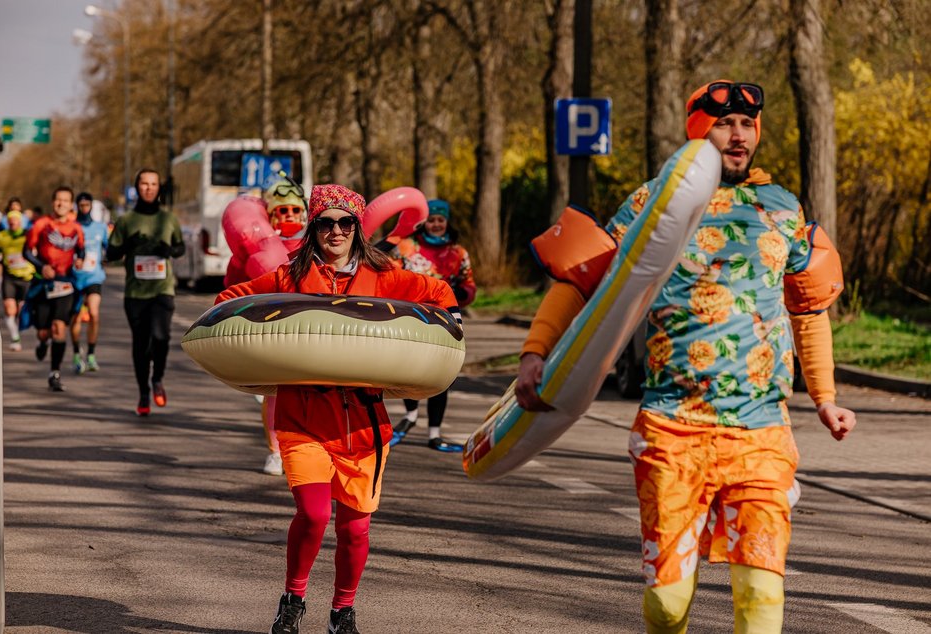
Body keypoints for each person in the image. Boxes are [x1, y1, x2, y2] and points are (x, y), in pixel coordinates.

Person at [514, 80, 857, 634]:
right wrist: (536, 354)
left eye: (748, 124)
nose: (739, 134)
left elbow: (810, 307)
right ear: (698, 128)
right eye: (725, 123)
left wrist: (826, 399)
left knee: (762, 598)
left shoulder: (782, 208)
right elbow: (579, 280)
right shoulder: (651, 204)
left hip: (761, 431)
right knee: (669, 606)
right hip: (673, 429)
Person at [217, 184, 458, 634]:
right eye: (325, 223)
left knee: (354, 531)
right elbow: (231, 300)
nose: (335, 231)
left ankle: (342, 611)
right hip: (303, 418)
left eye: (345, 223)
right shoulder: (290, 276)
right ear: (314, 228)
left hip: (363, 428)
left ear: (356, 229)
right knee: (312, 514)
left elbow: (439, 292)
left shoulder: (382, 275)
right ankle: (293, 597)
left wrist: (451, 320)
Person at [387, 198, 476, 452]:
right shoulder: (405, 247)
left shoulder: (458, 252)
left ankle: (435, 434)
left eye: (440, 220)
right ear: (423, 223)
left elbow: (470, 285)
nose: (436, 225)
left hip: (445, 320)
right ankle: (411, 415)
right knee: (406, 370)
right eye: (431, 220)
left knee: (441, 374)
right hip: (410, 318)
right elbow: (390, 277)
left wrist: (462, 292)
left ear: (447, 222)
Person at [106, 169, 185, 416]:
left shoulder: (168, 219)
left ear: (159, 188)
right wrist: (130, 244)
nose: (149, 188)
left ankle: (157, 379)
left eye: (153, 184)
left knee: (161, 338)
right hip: (135, 293)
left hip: (162, 289)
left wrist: (168, 251)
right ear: (137, 187)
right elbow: (111, 255)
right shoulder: (126, 220)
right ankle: (143, 392)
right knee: (141, 344)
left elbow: (180, 247)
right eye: (144, 183)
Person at [259, 178, 309, 476]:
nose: (289, 215)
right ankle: (275, 452)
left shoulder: (315, 241)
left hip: (310, 329)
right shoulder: (263, 245)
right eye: (282, 211)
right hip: (275, 328)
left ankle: (303, 450)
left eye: (294, 209)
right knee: (275, 394)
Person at [23, 187, 85, 392]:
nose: (61, 204)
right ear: (53, 202)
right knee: (43, 332)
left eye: (65, 200)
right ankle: (42, 343)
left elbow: (80, 249)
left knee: (59, 328)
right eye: (58, 200)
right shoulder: (41, 224)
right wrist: (42, 267)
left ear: (70, 205)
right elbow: (26, 251)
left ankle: (54, 373)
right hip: (43, 283)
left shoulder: (76, 228)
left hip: (65, 284)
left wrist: (80, 261)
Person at [70, 192, 108, 374]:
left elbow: (109, 248)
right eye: (81, 205)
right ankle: (77, 353)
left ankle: (91, 354)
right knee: (76, 317)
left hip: (94, 277)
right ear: (77, 206)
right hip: (75, 278)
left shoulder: (100, 228)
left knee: (94, 314)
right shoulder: (71, 227)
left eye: (87, 205)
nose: (84, 208)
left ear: (91, 206)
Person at [0, 210, 35, 351]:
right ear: (7, 222)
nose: (13, 222)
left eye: (15, 220)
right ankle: (15, 337)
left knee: (21, 309)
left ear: (20, 222)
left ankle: (26, 329)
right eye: (10, 220)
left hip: (26, 277)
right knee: (10, 309)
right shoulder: (2, 236)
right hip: (9, 276)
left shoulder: (27, 235)